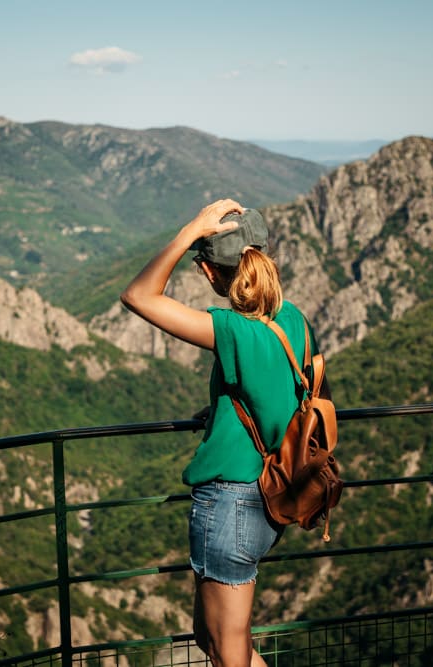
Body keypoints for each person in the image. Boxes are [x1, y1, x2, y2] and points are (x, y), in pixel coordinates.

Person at [120, 199, 317, 667]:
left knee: (228, 652)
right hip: (274, 496)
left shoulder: (230, 329)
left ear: (210, 273)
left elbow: (138, 296)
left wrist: (190, 230)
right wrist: (223, 411)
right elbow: (276, 394)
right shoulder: (294, 320)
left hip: (231, 503)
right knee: (214, 639)